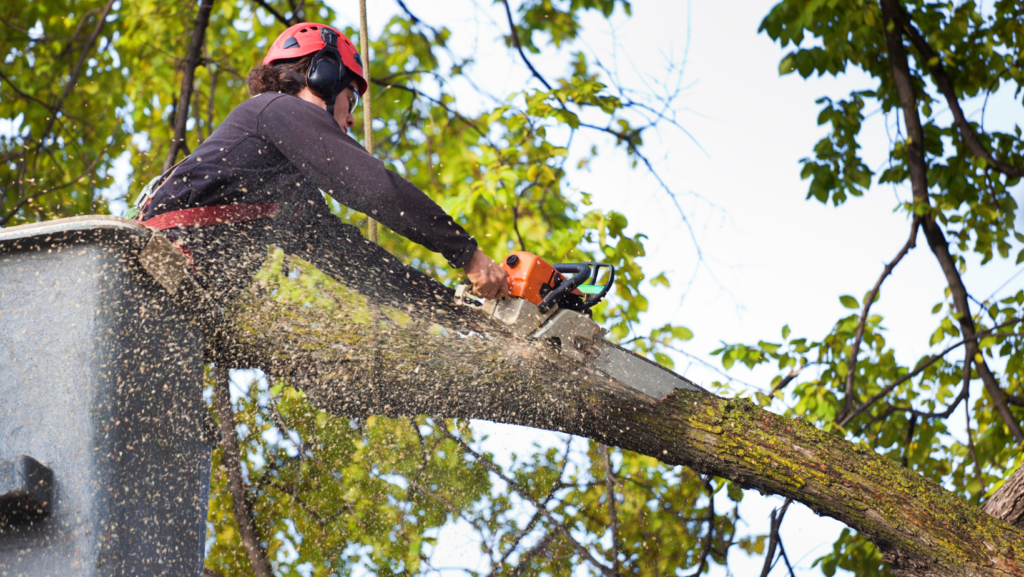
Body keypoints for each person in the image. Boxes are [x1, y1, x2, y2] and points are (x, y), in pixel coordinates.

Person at [134, 22, 509, 309]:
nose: (350, 120)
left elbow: (357, 262)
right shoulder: (275, 110)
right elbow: (374, 187)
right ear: (324, 77)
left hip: (171, 301)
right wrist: (467, 253)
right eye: (352, 99)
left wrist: (455, 309)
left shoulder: (287, 191)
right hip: (148, 275)